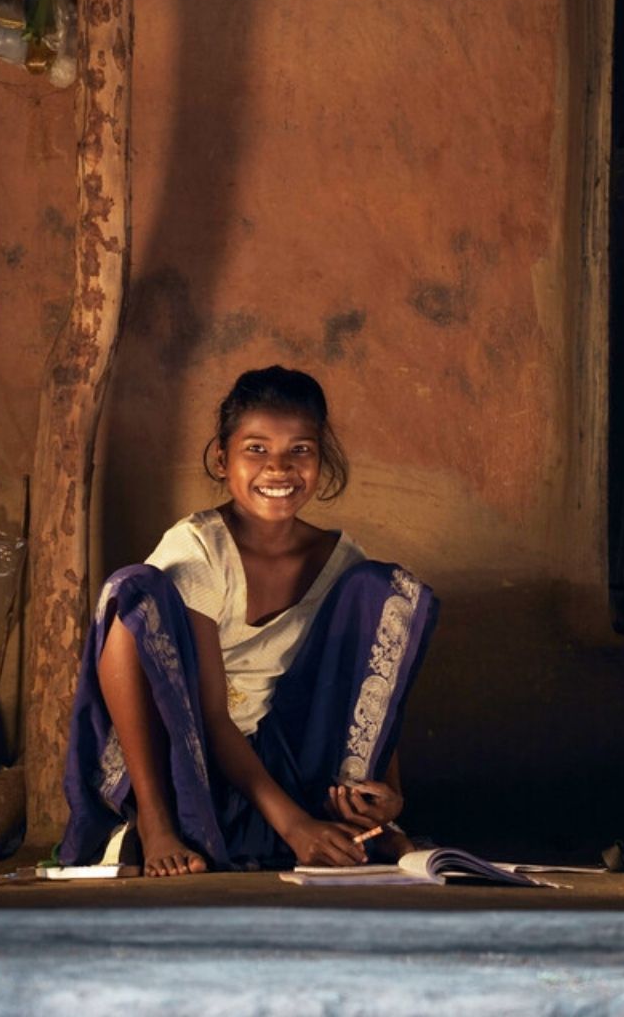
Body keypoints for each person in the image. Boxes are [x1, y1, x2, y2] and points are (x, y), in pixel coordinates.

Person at [59, 366, 440, 876]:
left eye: (299, 450)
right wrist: (294, 827)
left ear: (321, 460)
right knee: (134, 591)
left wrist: (390, 793)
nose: (279, 468)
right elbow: (213, 717)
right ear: (222, 459)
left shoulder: (341, 561)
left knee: (383, 589)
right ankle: (155, 822)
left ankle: (364, 822)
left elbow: (371, 689)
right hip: (186, 754)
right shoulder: (197, 549)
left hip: (285, 761)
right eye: (256, 449)